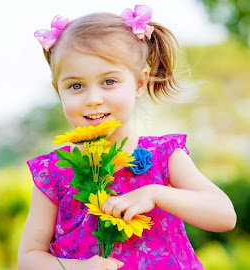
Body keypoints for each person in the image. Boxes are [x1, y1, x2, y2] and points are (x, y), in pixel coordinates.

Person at [18, 5, 236, 270]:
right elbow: (29, 257)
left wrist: (156, 193)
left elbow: (224, 216)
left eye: (109, 81)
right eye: (76, 86)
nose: (93, 99)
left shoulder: (163, 157)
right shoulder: (54, 173)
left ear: (140, 84)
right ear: (58, 89)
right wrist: (81, 267)